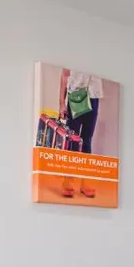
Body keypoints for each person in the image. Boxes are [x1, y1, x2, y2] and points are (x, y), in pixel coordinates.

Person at [58, 68, 103, 198]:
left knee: (87, 140)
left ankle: (85, 181)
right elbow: (65, 76)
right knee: (73, 141)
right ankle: (68, 181)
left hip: (94, 96)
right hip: (76, 95)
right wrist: (62, 104)